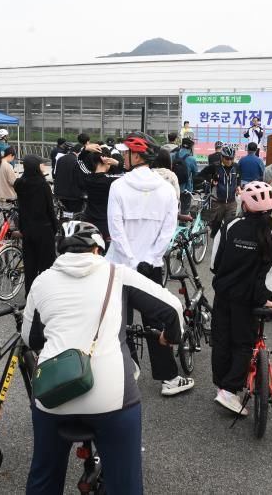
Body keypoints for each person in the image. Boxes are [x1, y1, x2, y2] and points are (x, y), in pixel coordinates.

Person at [23, 221, 183, 494]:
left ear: (60, 250)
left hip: (54, 394)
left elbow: (31, 339)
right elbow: (172, 308)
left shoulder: (42, 281)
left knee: (44, 474)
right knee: (125, 481)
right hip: (112, 397)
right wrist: (169, 338)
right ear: (97, 248)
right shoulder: (118, 274)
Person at [109, 132, 192, 396]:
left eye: (125, 153)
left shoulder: (118, 187)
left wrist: (131, 260)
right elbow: (168, 230)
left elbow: (115, 229)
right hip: (150, 267)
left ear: (136, 155)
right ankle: (168, 378)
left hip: (119, 265)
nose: (122, 156)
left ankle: (126, 368)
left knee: (117, 322)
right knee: (155, 321)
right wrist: (149, 259)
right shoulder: (167, 189)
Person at [209, 181, 272, 414]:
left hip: (224, 294)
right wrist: (265, 299)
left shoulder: (230, 225)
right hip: (250, 299)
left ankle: (222, 386)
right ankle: (229, 391)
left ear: (246, 204)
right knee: (243, 343)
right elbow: (271, 274)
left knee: (222, 339)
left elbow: (213, 264)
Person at [15, 155, 58, 295]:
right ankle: (45, 295)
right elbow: (49, 209)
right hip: (44, 229)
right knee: (46, 265)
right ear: (36, 166)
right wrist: (55, 227)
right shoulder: (42, 185)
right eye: (41, 164)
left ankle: (30, 295)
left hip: (27, 229)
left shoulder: (20, 184)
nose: (43, 166)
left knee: (30, 265)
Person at [198, 145, 241, 239]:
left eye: (231, 159)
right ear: (222, 157)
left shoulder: (236, 166)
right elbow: (201, 175)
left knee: (229, 227)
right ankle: (215, 242)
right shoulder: (215, 166)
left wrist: (238, 186)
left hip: (231, 202)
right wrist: (211, 180)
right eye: (227, 158)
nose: (229, 161)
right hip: (217, 202)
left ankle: (225, 245)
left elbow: (238, 177)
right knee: (215, 228)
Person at [82, 147, 122, 242]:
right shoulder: (112, 180)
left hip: (89, 220)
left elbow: (80, 162)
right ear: (107, 160)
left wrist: (85, 149)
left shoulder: (87, 177)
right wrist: (117, 163)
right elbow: (132, 173)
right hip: (107, 222)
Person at [54, 143, 88, 213]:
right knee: (74, 215)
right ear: (80, 151)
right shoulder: (78, 161)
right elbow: (80, 179)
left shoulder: (60, 159)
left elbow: (55, 174)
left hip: (59, 193)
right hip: (73, 195)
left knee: (63, 213)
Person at [172, 137, 198, 214]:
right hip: (186, 189)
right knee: (185, 212)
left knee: (173, 211)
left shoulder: (173, 155)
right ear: (190, 147)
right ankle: (183, 224)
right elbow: (195, 174)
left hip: (173, 188)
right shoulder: (191, 159)